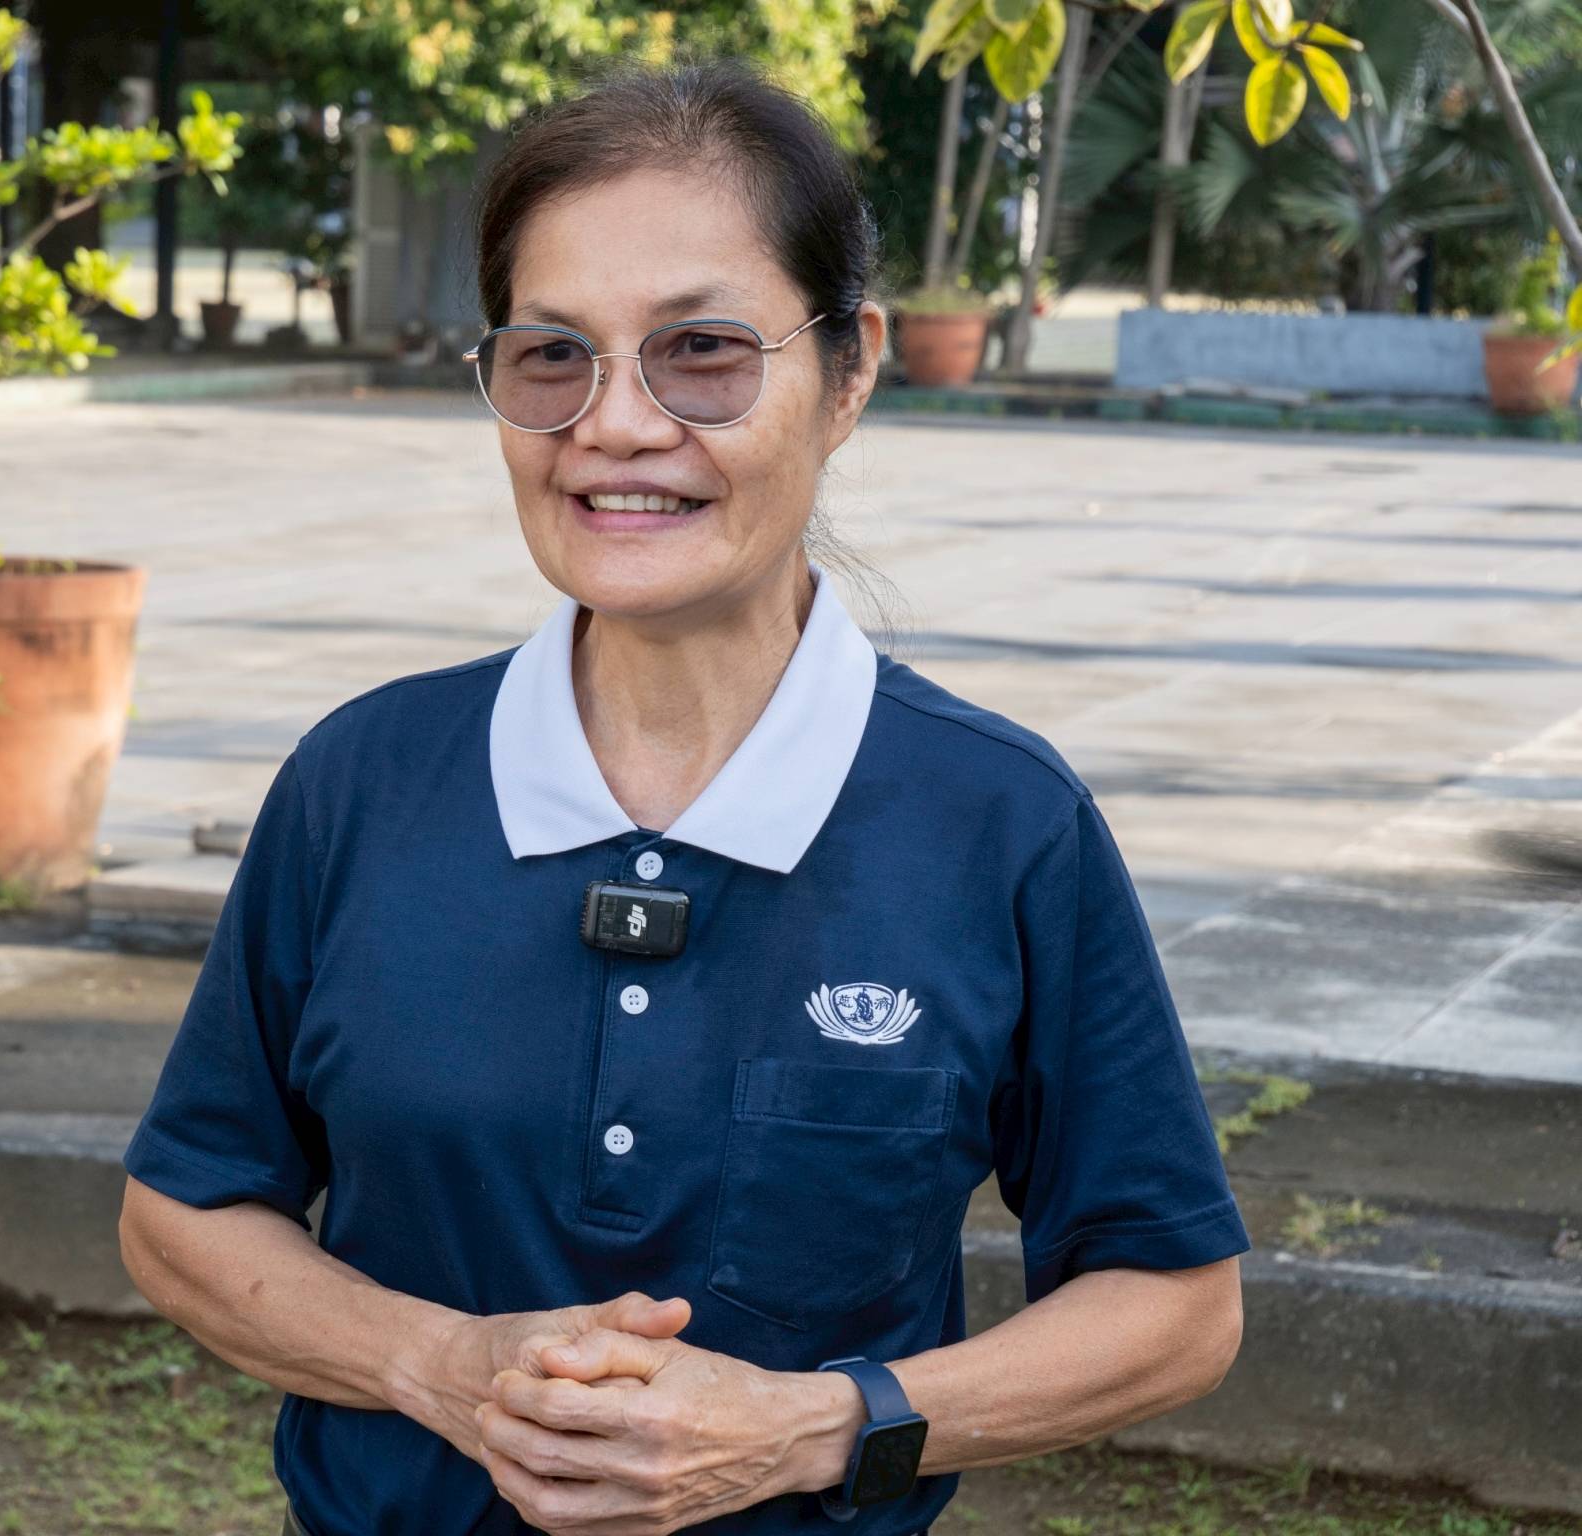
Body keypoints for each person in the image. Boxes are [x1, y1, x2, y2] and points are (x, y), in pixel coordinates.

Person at [119, 53, 1249, 1536]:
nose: (618, 426)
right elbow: (185, 1209)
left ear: (848, 376)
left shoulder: (999, 823)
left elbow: (1173, 1300)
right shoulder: (360, 784)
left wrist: (813, 1429)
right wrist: (441, 1366)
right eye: (552, 356)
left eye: (703, 350)